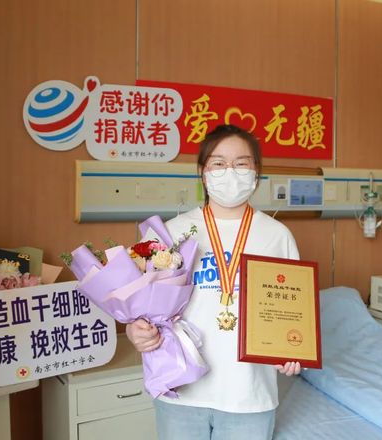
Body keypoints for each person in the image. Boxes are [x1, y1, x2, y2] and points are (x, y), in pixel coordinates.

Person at [126, 124, 302, 440]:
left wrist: (292, 349)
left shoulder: (277, 236)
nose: (230, 172)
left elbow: (292, 311)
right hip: (181, 390)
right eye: (219, 163)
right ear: (202, 172)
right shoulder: (171, 233)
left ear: (257, 172)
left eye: (241, 163)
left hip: (249, 395)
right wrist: (134, 330)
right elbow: (141, 307)